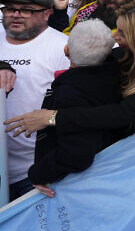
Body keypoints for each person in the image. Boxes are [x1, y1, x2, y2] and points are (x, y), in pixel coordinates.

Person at [5, 0, 135, 191]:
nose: (115, 36)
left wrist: (52, 117)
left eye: (123, 33)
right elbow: (103, 62)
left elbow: (123, 113)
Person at [27, 19, 121, 189]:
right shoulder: (120, 76)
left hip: (77, 188)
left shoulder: (70, 94)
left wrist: (38, 174)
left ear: (66, 50)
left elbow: (76, 154)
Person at [0, 0, 69, 201]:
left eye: (26, 10)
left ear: (47, 13)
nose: (16, 15)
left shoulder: (63, 47)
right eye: (10, 9)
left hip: (35, 172)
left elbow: (77, 107)